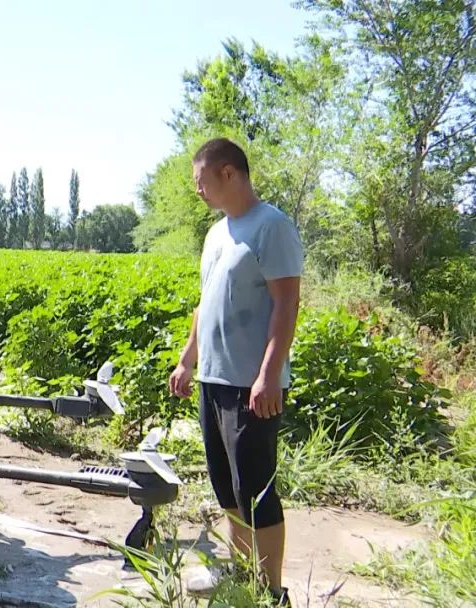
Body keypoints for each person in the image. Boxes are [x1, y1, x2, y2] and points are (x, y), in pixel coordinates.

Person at [168, 138, 302, 603]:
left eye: (200, 180)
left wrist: (269, 374)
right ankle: (241, 575)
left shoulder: (272, 226)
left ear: (228, 173)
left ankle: (271, 592)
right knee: (226, 486)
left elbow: (286, 303)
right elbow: (205, 304)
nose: (197, 189)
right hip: (214, 380)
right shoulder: (217, 234)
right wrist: (188, 358)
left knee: (256, 490)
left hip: (251, 384)